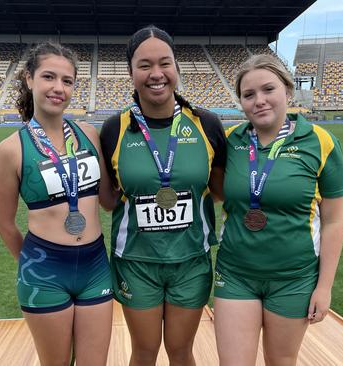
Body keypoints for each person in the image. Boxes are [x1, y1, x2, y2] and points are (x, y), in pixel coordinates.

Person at [99, 25, 226, 365]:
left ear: (176, 68)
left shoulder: (207, 124)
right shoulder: (114, 129)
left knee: (182, 351)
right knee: (144, 352)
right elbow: (109, 198)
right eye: (144, 65)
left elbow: (218, 191)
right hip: (136, 263)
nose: (156, 74)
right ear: (131, 72)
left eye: (165, 63)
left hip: (191, 261)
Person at [213, 54, 343, 366]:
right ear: (241, 102)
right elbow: (213, 191)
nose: (259, 101)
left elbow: (334, 222)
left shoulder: (321, 142)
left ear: (288, 91)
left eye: (268, 89)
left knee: (281, 361)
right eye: (249, 94)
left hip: (294, 278)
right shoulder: (230, 141)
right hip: (236, 274)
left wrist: (324, 287)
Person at [0, 42, 113, 366]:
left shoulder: (89, 134)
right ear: (29, 79)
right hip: (44, 270)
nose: (58, 88)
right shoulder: (11, 150)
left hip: (96, 267)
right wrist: (35, 262)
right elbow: (4, 223)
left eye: (67, 81)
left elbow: (108, 201)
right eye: (49, 77)